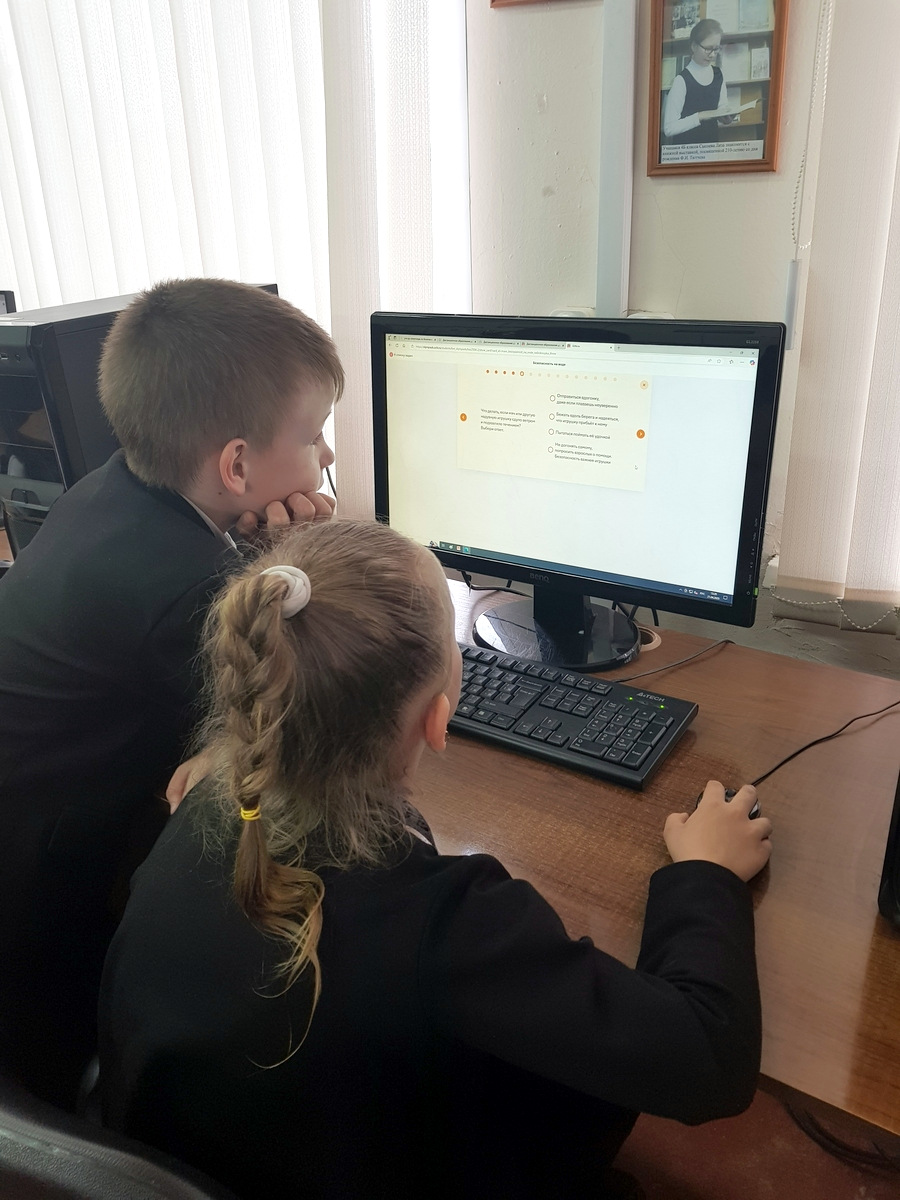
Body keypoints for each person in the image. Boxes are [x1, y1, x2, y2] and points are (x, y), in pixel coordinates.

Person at [99, 518, 773, 1200]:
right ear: (438, 716)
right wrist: (706, 875)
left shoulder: (206, 801)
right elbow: (709, 1059)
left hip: (193, 1158)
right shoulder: (447, 922)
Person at [0, 278, 341, 1109]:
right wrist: (301, 556)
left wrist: (252, 547)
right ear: (236, 465)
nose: (328, 457)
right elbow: (301, 706)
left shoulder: (114, 488)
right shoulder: (183, 591)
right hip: (42, 916)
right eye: (314, 435)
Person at [663, 19, 741, 148]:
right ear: (694, 46)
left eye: (716, 49)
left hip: (710, 147)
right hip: (687, 151)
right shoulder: (681, 80)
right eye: (708, 49)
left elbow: (721, 107)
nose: (712, 55)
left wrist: (725, 117)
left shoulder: (718, 75)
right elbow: (669, 128)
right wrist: (701, 116)